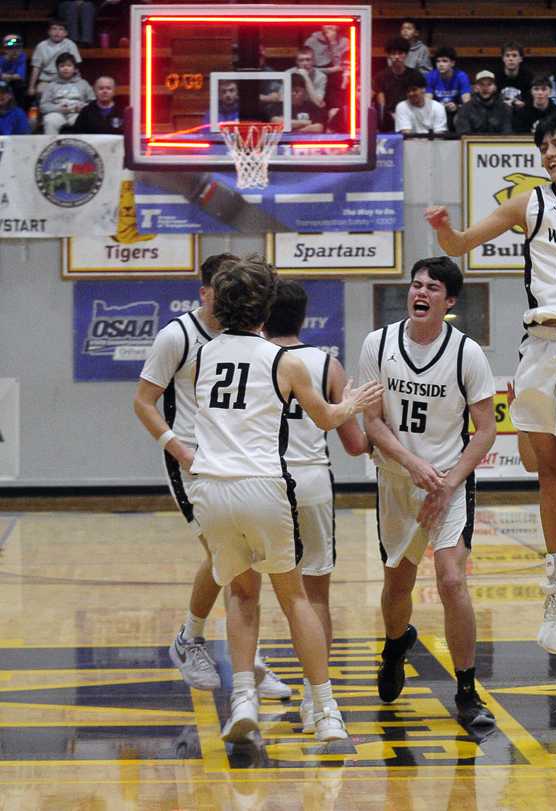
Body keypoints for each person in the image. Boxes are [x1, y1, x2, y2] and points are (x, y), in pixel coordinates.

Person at [427, 109, 556, 655]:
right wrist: (444, 228)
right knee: (547, 471)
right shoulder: (530, 204)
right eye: (543, 146)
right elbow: (459, 244)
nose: (548, 153)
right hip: (539, 346)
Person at [188, 258, 381, 743]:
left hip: (209, 488)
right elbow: (327, 419)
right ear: (266, 307)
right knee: (295, 597)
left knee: (241, 594)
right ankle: (327, 711)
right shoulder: (284, 361)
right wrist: (353, 403)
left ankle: (242, 701)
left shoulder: (204, 356)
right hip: (262, 485)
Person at [133, 254, 291, 700]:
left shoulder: (248, 335)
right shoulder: (177, 336)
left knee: (237, 559)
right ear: (206, 293)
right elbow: (143, 401)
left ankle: (206, 643)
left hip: (239, 463)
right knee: (237, 565)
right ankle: (219, 651)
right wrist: (179, 450)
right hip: (191, 460)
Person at [358, 257, 498, 728]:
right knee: (397, 584)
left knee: (452, 581)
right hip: (398, 479)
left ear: (449, 300)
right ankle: (395, 645)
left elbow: (485, 430)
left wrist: (448, 481)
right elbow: (372, 421)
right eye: (416, 285)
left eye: (432, 287)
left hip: (448, 484)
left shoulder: (467, 353)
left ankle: (466, 691)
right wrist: (412, 463)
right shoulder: (378, 344)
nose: (420, 292)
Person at [262, 280, 370, 730]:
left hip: (262, 482)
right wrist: (384, 432)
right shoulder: (327, 365)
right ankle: (315, 698)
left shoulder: (252, 359)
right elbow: (354, 445)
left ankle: (247, 686)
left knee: (247, 590)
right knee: (315, 596)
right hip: (311, 482)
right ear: (304, 317)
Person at [375, 37, 424, 132]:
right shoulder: (381, 76)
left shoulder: (416, 75)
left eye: (400, 53)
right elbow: (381, 104)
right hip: (389, 118)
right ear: (389, 56)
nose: (397, 57)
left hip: (411, 116)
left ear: (406, 55)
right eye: (393, 53)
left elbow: (421, 100)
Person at [39, 52, 92, 134]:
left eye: (69, 66)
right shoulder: (51, 85)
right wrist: (57, 108)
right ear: (57, 69)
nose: (65, 68)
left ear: (75, 69)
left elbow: (93, 102)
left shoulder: (83, 83)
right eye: (62, 66)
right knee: (50, 121)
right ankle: (52, 142)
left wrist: (83, 107)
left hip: (77, 113)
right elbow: (43, 106)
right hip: (57, 113)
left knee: (85, 119)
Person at [28, 20, 80, 101]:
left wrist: (75, 81)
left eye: (61, 29)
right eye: (54, 29)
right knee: (40, 90)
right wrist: (31, 87)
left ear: (66, 33)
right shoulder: (41, 46)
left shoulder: (71, 45)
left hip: (67, 79)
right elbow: (36, 68)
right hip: (47, 80)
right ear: (48, 32)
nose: (57, 32)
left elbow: (76, 66)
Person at [454, 71, 513, 135]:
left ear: (495, 87)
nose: (485, 88)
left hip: (498, 141)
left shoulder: (504, 108)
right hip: (474, 141)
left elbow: (507, 134)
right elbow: (464, 136)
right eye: (481, 84)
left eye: (489, 84)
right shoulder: (465, 109)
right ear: (475, 88)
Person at [426, 46, 472, 124]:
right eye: (438, 61)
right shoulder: (430, 76)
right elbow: (427, 102)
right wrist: (439, 107)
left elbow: (467, 103)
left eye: (444, 61)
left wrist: (457, 107)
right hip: (436, 111)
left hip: (456, 111)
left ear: (452, 63)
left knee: (461, 118)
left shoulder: (461, 76)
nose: (440, 64)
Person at [497, 42, 533, 113]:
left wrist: (523, 104)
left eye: (514, 56)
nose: (511, 59)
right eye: (507, 56)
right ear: (503, 58)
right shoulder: (496, 76)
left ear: (521, 59)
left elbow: (530, 101)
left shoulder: (528, 77)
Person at [0, 34, 27, 111]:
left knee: (19, 84)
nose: (15, 51)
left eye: (18, 48)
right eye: (11, 48)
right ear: (5, 50)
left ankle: (20, 110)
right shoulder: (1, 59)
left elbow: (20, 76)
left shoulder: (22, 56)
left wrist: (6, 76)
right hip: (2, 83)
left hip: (14, 83)